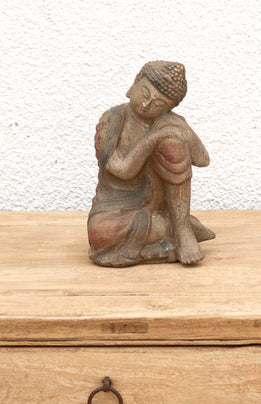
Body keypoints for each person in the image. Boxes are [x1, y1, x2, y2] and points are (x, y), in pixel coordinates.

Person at [87, 61, 213, 266]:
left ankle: (180, 229)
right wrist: (154, 137)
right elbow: (122, 170)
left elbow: (202, 159)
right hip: (116, 207)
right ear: (136, 82)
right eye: (145, 93)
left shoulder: (166, 122)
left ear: (169, 107)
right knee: (99, 233)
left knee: (173, 144)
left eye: (159, 104)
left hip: (157, 201)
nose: (146, 105)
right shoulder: (112, 119)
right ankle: (171, 227)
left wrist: (180, 126)